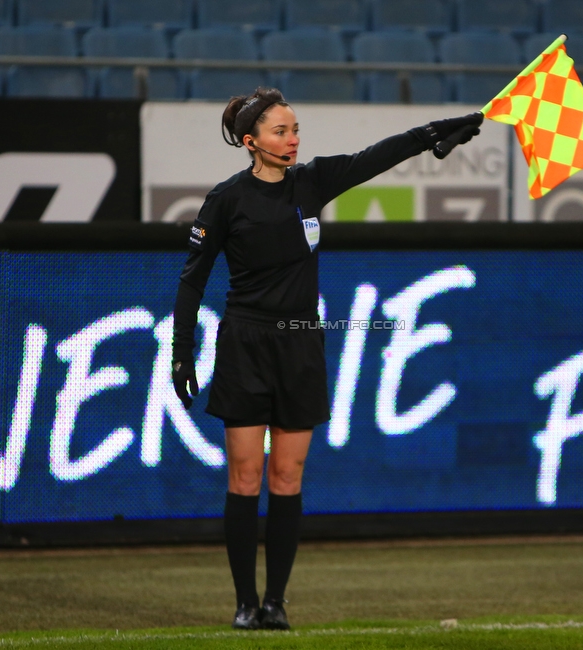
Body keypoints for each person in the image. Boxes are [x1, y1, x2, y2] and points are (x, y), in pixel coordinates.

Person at [170, 87, 482, 631]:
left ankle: (276, 603)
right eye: (280, 132)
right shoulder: (226, 199)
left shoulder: (311, 182)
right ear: (251, 141)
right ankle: (245, 603)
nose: (292, 140)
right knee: (246, 476)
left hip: (301, 342)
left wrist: (437, 132)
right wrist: (182, 352)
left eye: (295, 130)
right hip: (245, 342)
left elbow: (377, 156)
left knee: (287, 476)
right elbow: (191, 279)